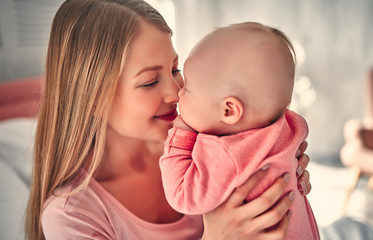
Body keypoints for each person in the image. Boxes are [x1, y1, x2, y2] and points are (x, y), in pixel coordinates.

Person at [24, 1, 312, 239]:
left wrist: (284, 170)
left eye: (175, 69)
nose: (176, 92)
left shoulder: (206, 138)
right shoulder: (73, 217)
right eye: (150, 82)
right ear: (93, 97)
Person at [160, 22, 319, 239]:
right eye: (149, 81)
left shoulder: (227, 152)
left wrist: (180, 136)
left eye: (187, 88)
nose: (178, 93)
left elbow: (181, 195)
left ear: (229, 110)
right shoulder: (288, 127)